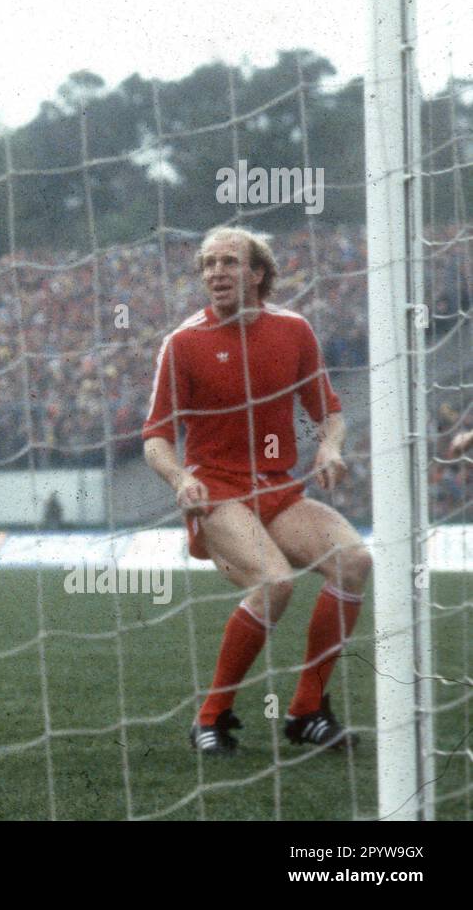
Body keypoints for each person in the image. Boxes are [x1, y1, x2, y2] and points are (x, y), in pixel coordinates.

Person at [142, 227, 372, 756]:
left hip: (277, 488)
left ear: (259, 273)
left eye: (228, 262)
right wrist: (182, 479)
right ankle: (211, 717)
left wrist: (330, 448)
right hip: (217, 490)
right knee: (276, 582)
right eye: (208, 265)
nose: (215, 273)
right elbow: (155, 437)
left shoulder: (293, 331)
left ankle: (307, 711)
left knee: (354, 560)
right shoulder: (183, 343)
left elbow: (330, 413)